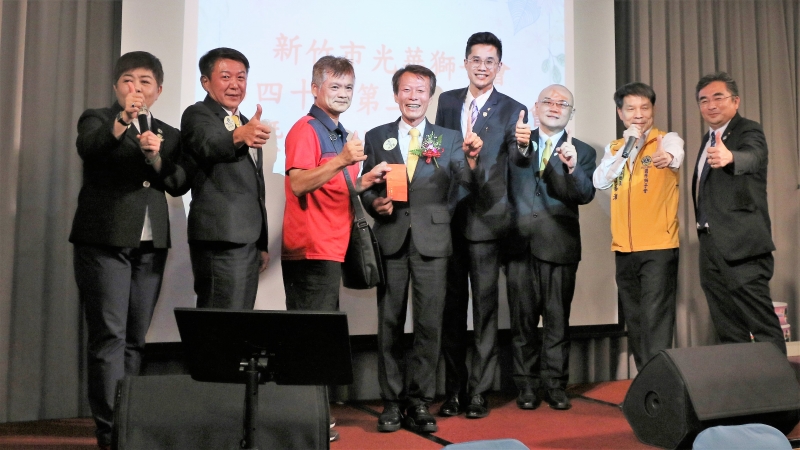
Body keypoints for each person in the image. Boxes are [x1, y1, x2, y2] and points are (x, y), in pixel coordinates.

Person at [70, 51, 193, 449]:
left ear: (158, 90)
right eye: (128, 80)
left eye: (144, 82)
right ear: (116, 87)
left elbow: (178, 182)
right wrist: (123, 121)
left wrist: (156, 157)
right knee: (110, 336)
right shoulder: (98, 119)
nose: (135, 88)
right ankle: (110, 432)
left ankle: (127, 421)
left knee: (135, 339)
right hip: (104, 241)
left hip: (151, 245)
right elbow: (90, 148)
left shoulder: (169, 133)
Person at [360, 65, 482, 433]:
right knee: (390, 322)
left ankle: (420, 401)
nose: (413, 97)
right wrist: (374, 204)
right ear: (396, 94)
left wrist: (471, 160)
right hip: (392, 238)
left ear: (430, 96)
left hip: (434, 241)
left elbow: (465, 183)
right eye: (407, 90)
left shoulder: (447, 138)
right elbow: (367, 185)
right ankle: (392, 402)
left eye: (421, 91)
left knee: (429, 324)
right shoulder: (377, 136)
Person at [281, 55, 389, 443]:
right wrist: (343, 161)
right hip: (310, 248)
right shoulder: (305, 129)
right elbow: (298, 183)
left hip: (333, 247)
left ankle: (313, 416)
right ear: (315, 89)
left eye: (348, 87)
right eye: (335, 86)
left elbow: (333, 186)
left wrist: (363, 181)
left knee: (321, 337)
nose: (343, 94)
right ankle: (308, 421)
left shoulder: (339, 132)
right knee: (311, 338)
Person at [435, 31, 528, 419]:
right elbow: (438, 151)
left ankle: (478, 392)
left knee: (485, 311)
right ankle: (453, 390)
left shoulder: (513, 109)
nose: (483, 67)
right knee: (451, 312)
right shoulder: (447, 101)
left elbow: (518, 161)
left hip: (487, 221)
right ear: (465, 63)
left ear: (499, 67)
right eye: (476, 59)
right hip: (448, 220)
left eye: (490, 61)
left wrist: (524, 144)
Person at [506, 84, 596, 411]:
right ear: (535, 107)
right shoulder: (516, 142)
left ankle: (555, 385)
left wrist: (572, 167)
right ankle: (527, 386)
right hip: (519, 245)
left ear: (572, 113)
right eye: (548, 101)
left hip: (559, 246)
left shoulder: (582, 151)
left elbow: (584, 194)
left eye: (563, 104)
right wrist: (521, 146)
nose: (555, 107)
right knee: (523, 323)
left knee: (557, 322)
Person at [593, 82, 685, 371]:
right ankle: (646, 381)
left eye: (645, 107)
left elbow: (676, 155)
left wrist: (668, 158)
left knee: (656, 320)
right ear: (620, 113)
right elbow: (600, 181)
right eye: (631, 108)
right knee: (635, 320)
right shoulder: (615, 148)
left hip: (658, 247)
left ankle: (661, 383)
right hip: (624, 248)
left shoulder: (666, 140)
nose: (639, 114)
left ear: (653, 110)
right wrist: (626, 149)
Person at [692, 72, 785, 354]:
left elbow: (753, 156)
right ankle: (742, 381)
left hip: (743, 246)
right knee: (727, 326)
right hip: (711, 246)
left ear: (735, 101)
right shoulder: (708, 138)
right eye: (703, 100)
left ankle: (778, 381)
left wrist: (731, 157)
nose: (711, 105)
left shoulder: (748, 130)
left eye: (718, 97)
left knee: (761, 324)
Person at [181, 47, 270, 309]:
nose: (235, 84)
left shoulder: (245, 121)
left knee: (239, 323)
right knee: (218, 322)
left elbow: (255, 186)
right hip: (220, 238)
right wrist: (239, 135)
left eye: (241, 77)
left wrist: (261, 243)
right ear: (205, 82)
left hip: (248, 240)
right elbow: (209, 145)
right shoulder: (198, 114)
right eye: (226, 77)